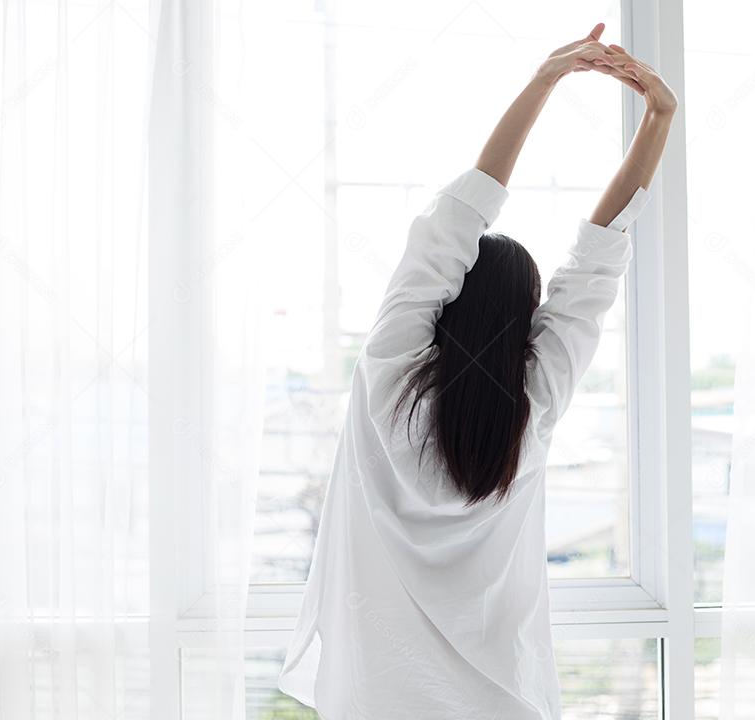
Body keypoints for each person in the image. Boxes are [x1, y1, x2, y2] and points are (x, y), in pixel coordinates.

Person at [277, 23, 678, 719]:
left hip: (376, 699)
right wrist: (659, 117)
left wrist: (545, 80)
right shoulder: (535, 402)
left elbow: (453, 223)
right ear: (528, 320)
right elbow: (595, 262)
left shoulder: (388, 375)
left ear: (445, 307)